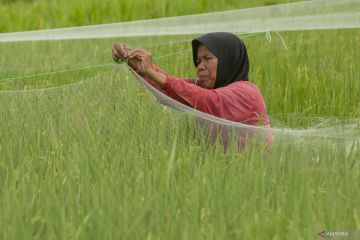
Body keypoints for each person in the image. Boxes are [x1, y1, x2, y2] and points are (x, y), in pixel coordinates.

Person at [112, 32, 273, 150]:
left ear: (228, 59)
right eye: (198, 61)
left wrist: (150, 71)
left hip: (253, 176)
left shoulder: (246, 92)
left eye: (207, 59)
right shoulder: (206, 89)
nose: (200, 67)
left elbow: (208, 101)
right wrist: (137, 66)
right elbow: (169, 90)